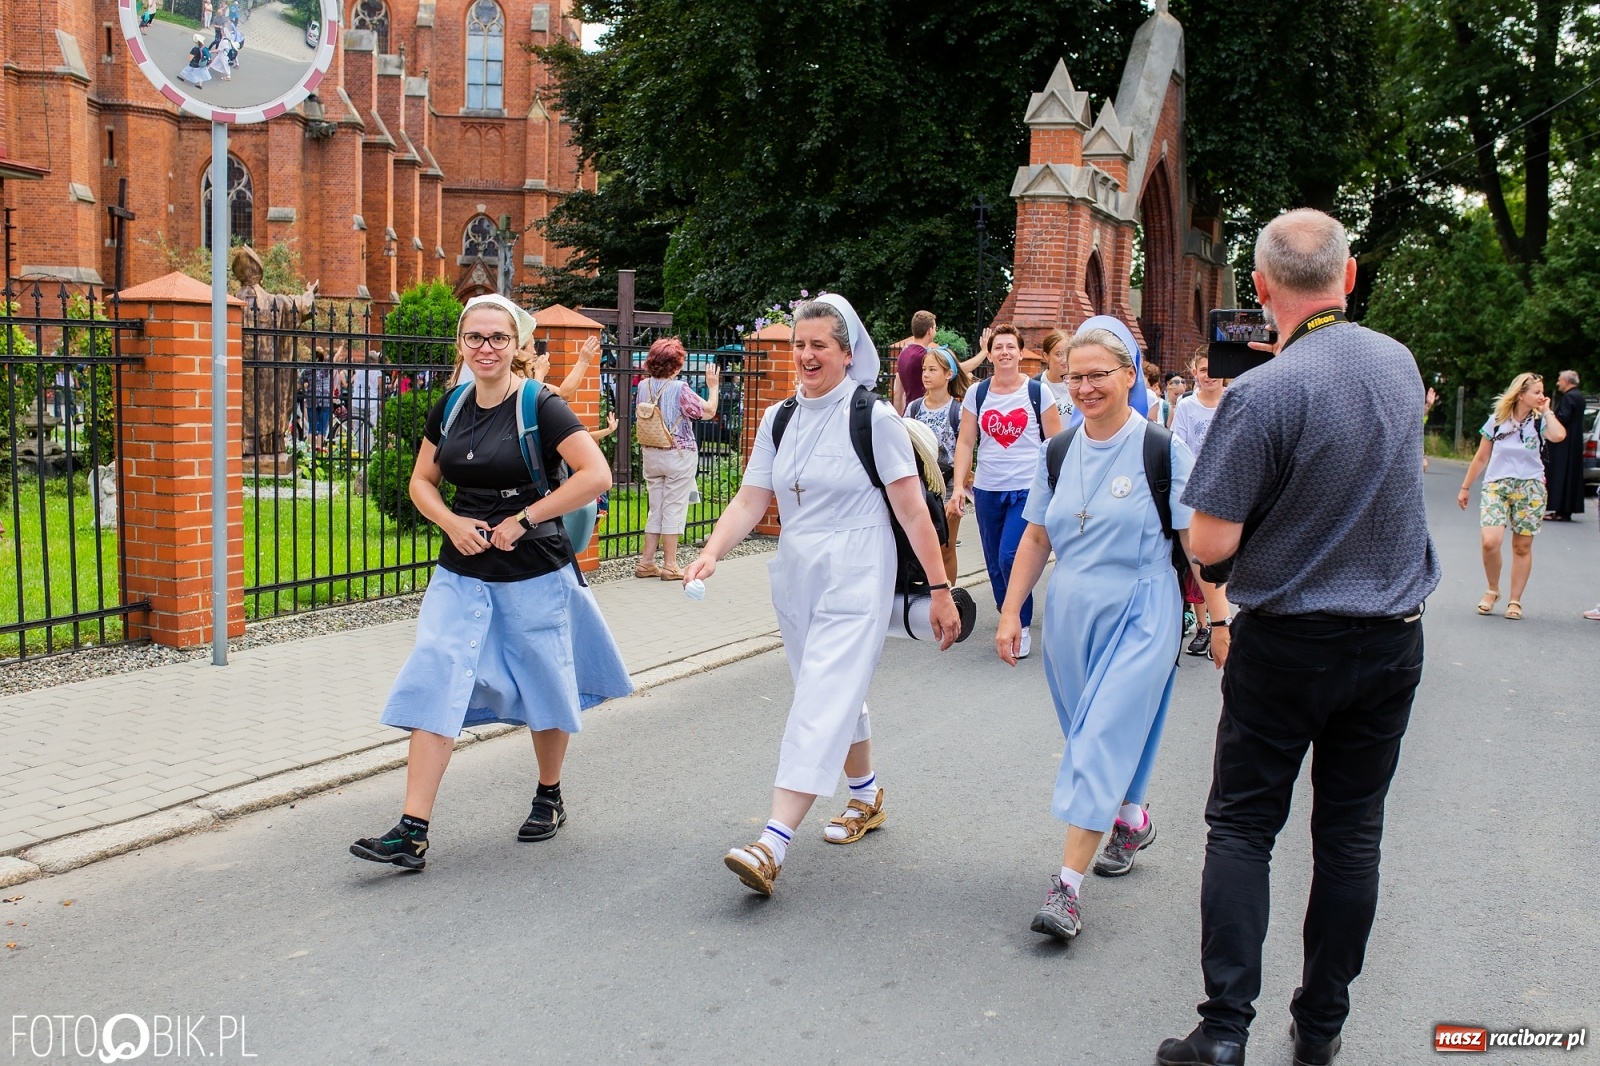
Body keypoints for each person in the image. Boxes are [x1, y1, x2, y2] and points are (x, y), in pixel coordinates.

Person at [1156, 208, 1439, 1066]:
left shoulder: (1262, 393)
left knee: (1243, 828)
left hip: (1288, 640)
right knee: (1351, 834)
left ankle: (1225, 1030)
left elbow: (1209, 544)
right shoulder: (1397, 363)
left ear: (1261, 289)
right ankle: (1320, 1029)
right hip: (1390, 638)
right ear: (1348, 279)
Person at [682, 294, 959, 897]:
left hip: (860, 568)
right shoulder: (779, 418)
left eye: (819, 346)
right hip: (797, 571)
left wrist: (941, 590)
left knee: (821, 696)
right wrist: (711, 552)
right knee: (829, 688)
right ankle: (866, 795)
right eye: (798, 346)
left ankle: (772, 840)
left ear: (846, 352)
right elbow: (752, 498)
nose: (806, 356)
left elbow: (912, 512)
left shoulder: (875, 416)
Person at [349, 294, 632, 871]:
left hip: (534, 569)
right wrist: (451, 522)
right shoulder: (450, 406)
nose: (485, 348)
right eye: (475, 337)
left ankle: (548, 794)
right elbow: (421, 482)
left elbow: (596, 474)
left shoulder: (541, 405)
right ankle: (412, 829)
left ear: (517, 346)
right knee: (437, 671)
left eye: (497, 338)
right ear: (461, 344)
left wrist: (523, 520)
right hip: (462, 570)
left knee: (543, 680)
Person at [997, 327, 1227, 945]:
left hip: (1143, 604)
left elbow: (1195, 546)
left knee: (1100, 735)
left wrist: (1221, 617)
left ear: (1130, 375)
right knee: (1091, 727)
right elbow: (1037, 536)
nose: (1086, 386)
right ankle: (1130, 816)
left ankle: (1067, 889)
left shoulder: (1164, 449)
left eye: (1099, 374)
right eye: (1075, 376)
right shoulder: (1058, 449)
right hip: (1071, 608)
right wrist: (1012, 611)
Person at [948, 324, 1063, 658]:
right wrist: (958, 485)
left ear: (1020, 352)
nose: (1004, 353)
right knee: (994, 562)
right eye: (998, 347)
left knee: (1011, 556)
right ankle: (1008, 615)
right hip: (987, 489)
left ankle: (1021, 623)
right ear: (991, 352)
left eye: (1010, 347)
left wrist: (1057, 488)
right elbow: (966, 441)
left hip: (1027, 489)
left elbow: (1055, 443)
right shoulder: (977, 393)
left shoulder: (1038, 392)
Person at [1457, 372, 1566, 619]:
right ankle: (1492, 589)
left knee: (1521, 545)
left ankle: (1515, 600)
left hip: (1531, 487)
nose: (1542, 396)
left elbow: (1559, 436)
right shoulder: (1496, 420)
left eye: (1543, 391)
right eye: (1537, 392)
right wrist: (1465, 487)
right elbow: (1482, 457)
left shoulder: (1540, 421)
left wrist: (1547, 410)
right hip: (1497, 485)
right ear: (1520, 394)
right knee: (1490, 540)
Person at [633, 337, 720, 581]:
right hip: (679, 454)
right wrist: (713, 387)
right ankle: (670, 565)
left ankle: (646, 563)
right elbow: (708, 411)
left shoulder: (643, 386)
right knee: (673, 509)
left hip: (651, 452)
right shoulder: (679, 388)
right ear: (676, 365)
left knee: (656, 507)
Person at [1171, 346, 1229, 658]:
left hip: (1225, 491)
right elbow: (1178, 443)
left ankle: (1226, 620)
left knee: (1224, 559)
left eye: (1214, 369)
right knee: (1198, 558)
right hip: (1194, 491)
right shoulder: (1186, 406)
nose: (1209, 376)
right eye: (1203, 369)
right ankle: (1205, 625)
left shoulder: (1234, 402)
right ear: (1195, 372)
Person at [907, 345, 972, 587]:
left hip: (948, 486)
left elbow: (965, 453)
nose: (925, 374)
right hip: (920, 487)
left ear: (948, 374)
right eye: (924, 369)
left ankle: (950, 596)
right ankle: (925, 595)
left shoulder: (959, 410)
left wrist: (959, 492)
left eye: (932, 369)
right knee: (920, 546)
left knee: (945, 547)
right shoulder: (913, 408)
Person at [1542, 370, 1584, 521]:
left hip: (1565, 442)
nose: (1558, 383)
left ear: (1567, 381)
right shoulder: (1579, 396)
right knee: (1570, 474)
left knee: (1561, 473)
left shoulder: (1569, 397)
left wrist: (1549, 416)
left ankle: (1560, 509)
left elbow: (1563, 418)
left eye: (1560, 380)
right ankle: (1565, 509)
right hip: (1574, 441)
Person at [892, 310, 936, 414]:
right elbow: (959, 369)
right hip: (926, 411)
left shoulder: (903, 354)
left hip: (909, 412)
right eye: (935, 328)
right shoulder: (926, 356)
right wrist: (982, 352)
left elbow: (898, 393)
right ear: (930, 330)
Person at [1038, 328, 1075, 422]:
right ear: (1046, 356)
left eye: (1067, 353)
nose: (1064, 359)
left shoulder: (1078, 383)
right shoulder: (1036, 385)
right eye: (1059, 354)